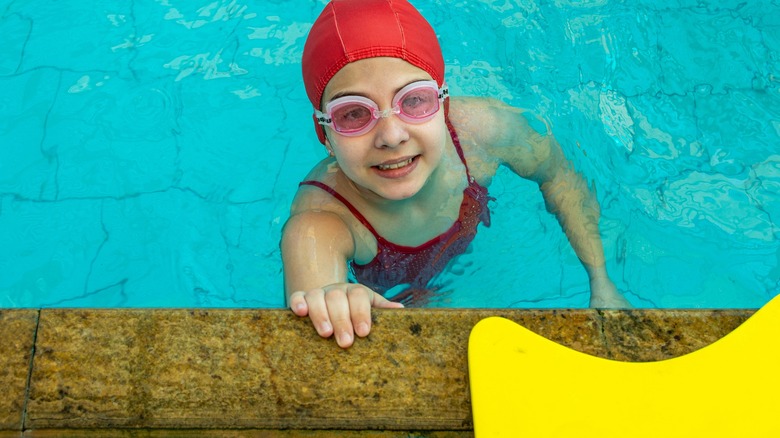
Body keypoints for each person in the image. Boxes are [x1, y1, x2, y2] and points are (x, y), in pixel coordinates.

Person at [281, 0, 631, 348]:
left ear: (443, 105)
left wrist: (601, 282)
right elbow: (316, 294)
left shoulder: (485, 134)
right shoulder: (321, 218)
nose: (392, 136)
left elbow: (560, 178)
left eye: (414, 100)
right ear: (324, 134)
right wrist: (333, 300)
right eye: (354, 113)